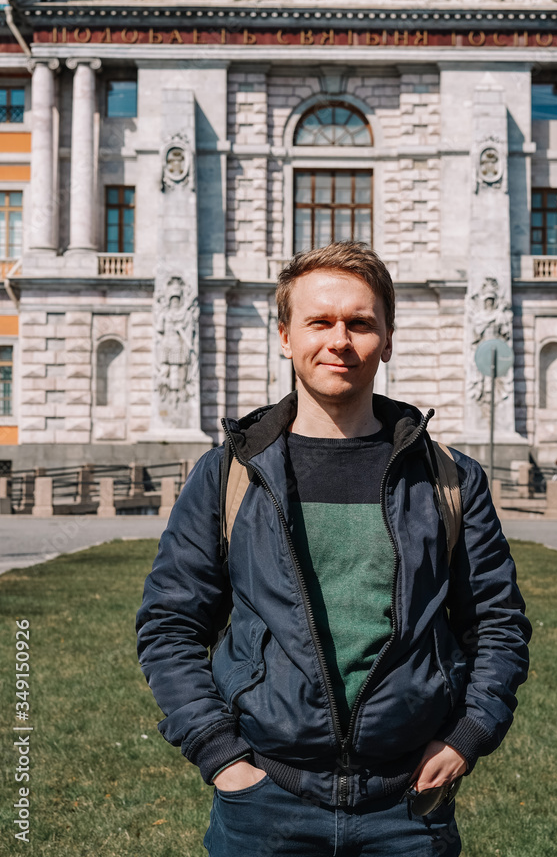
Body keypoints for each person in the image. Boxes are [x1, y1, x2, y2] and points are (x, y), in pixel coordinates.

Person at [136, 241, 531, 856]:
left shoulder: (450, 478)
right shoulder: (227, 475)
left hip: (408, 809)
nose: (339, 340)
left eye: (360, 323)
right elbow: (169, 626)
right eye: (319, 321)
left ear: (387, 339)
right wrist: (221, 757)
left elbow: (497, 626)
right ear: (285, 336)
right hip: (265, 802)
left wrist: (468, 734)